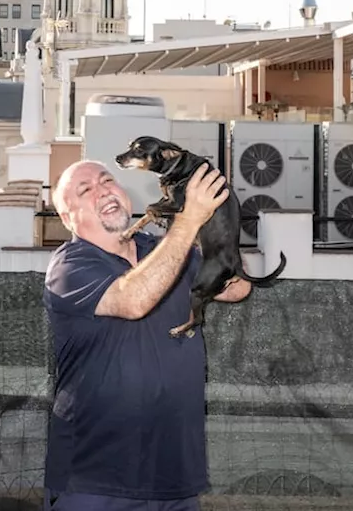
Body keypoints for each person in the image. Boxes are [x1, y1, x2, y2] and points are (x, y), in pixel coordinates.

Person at [43, 160, 251, 511]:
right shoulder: (69, 267)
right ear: (68, 219)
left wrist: (217, 223)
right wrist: (187, 222)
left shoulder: (165, 249)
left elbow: (236, 288)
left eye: (107, 180)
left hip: (174, 478)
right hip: (95, 483)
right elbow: (133, 299)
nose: (103, 189)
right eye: (86, 190)